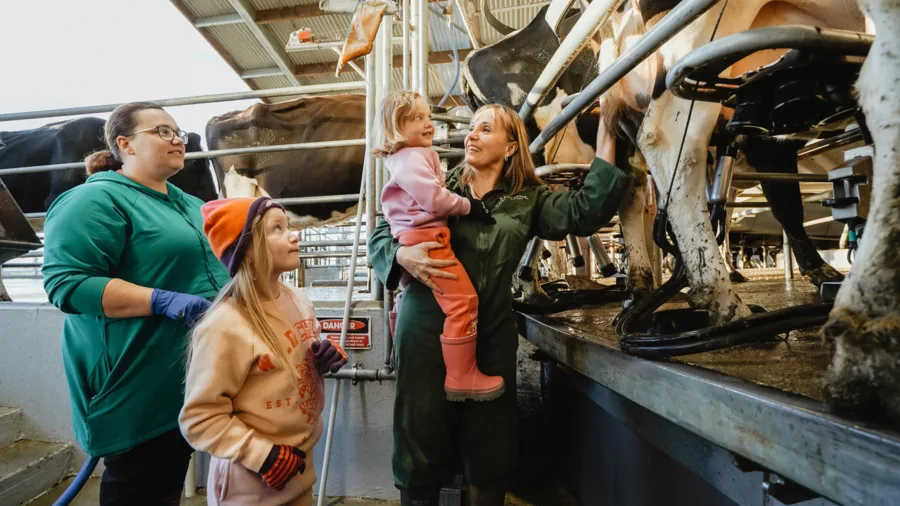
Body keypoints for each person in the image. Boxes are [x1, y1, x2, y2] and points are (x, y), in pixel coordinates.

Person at [368, 104, 632, 505]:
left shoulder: (528, 199)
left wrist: (608, 132)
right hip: (424, 332)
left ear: (511, 147)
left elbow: (585, 211)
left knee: (490, 454)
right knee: (418, 444)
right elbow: (382, 233)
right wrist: (402, 257)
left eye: (484, 129)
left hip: (489, 334)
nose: (471, 135)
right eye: (471, 128)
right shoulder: (439, 182)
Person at [41, 102, 231, 505]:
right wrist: (162, 300)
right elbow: (68, 284)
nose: (177, 139)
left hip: (188, 371)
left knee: (165, 479)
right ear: (124, 144)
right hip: (136, 376)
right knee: (140, 485)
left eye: (178, 131)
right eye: (162, 131)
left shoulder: (189, 205)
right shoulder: (94, 201)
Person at [180, 196, 349, 506]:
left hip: (300, 468)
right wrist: (263, 456)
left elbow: (290, 362)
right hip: (251, 485)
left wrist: (322, 358)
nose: (294, 234)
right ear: (247, 248)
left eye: (289, 226)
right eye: (277, 229)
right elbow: (199, 418)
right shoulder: (226, 326)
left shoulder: (299, 300)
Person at [374, 90, 501, 402]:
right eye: (417, 118)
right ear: (396, 127)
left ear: (511, 147)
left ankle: (401, 338)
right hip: (428, 248)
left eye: (428, 116)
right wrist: (469, 206)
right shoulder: (425, 165)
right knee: (463, 302)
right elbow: (384, 232)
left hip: (422, 246)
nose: (428, 123)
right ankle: (462, 377)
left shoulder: (413, 160)